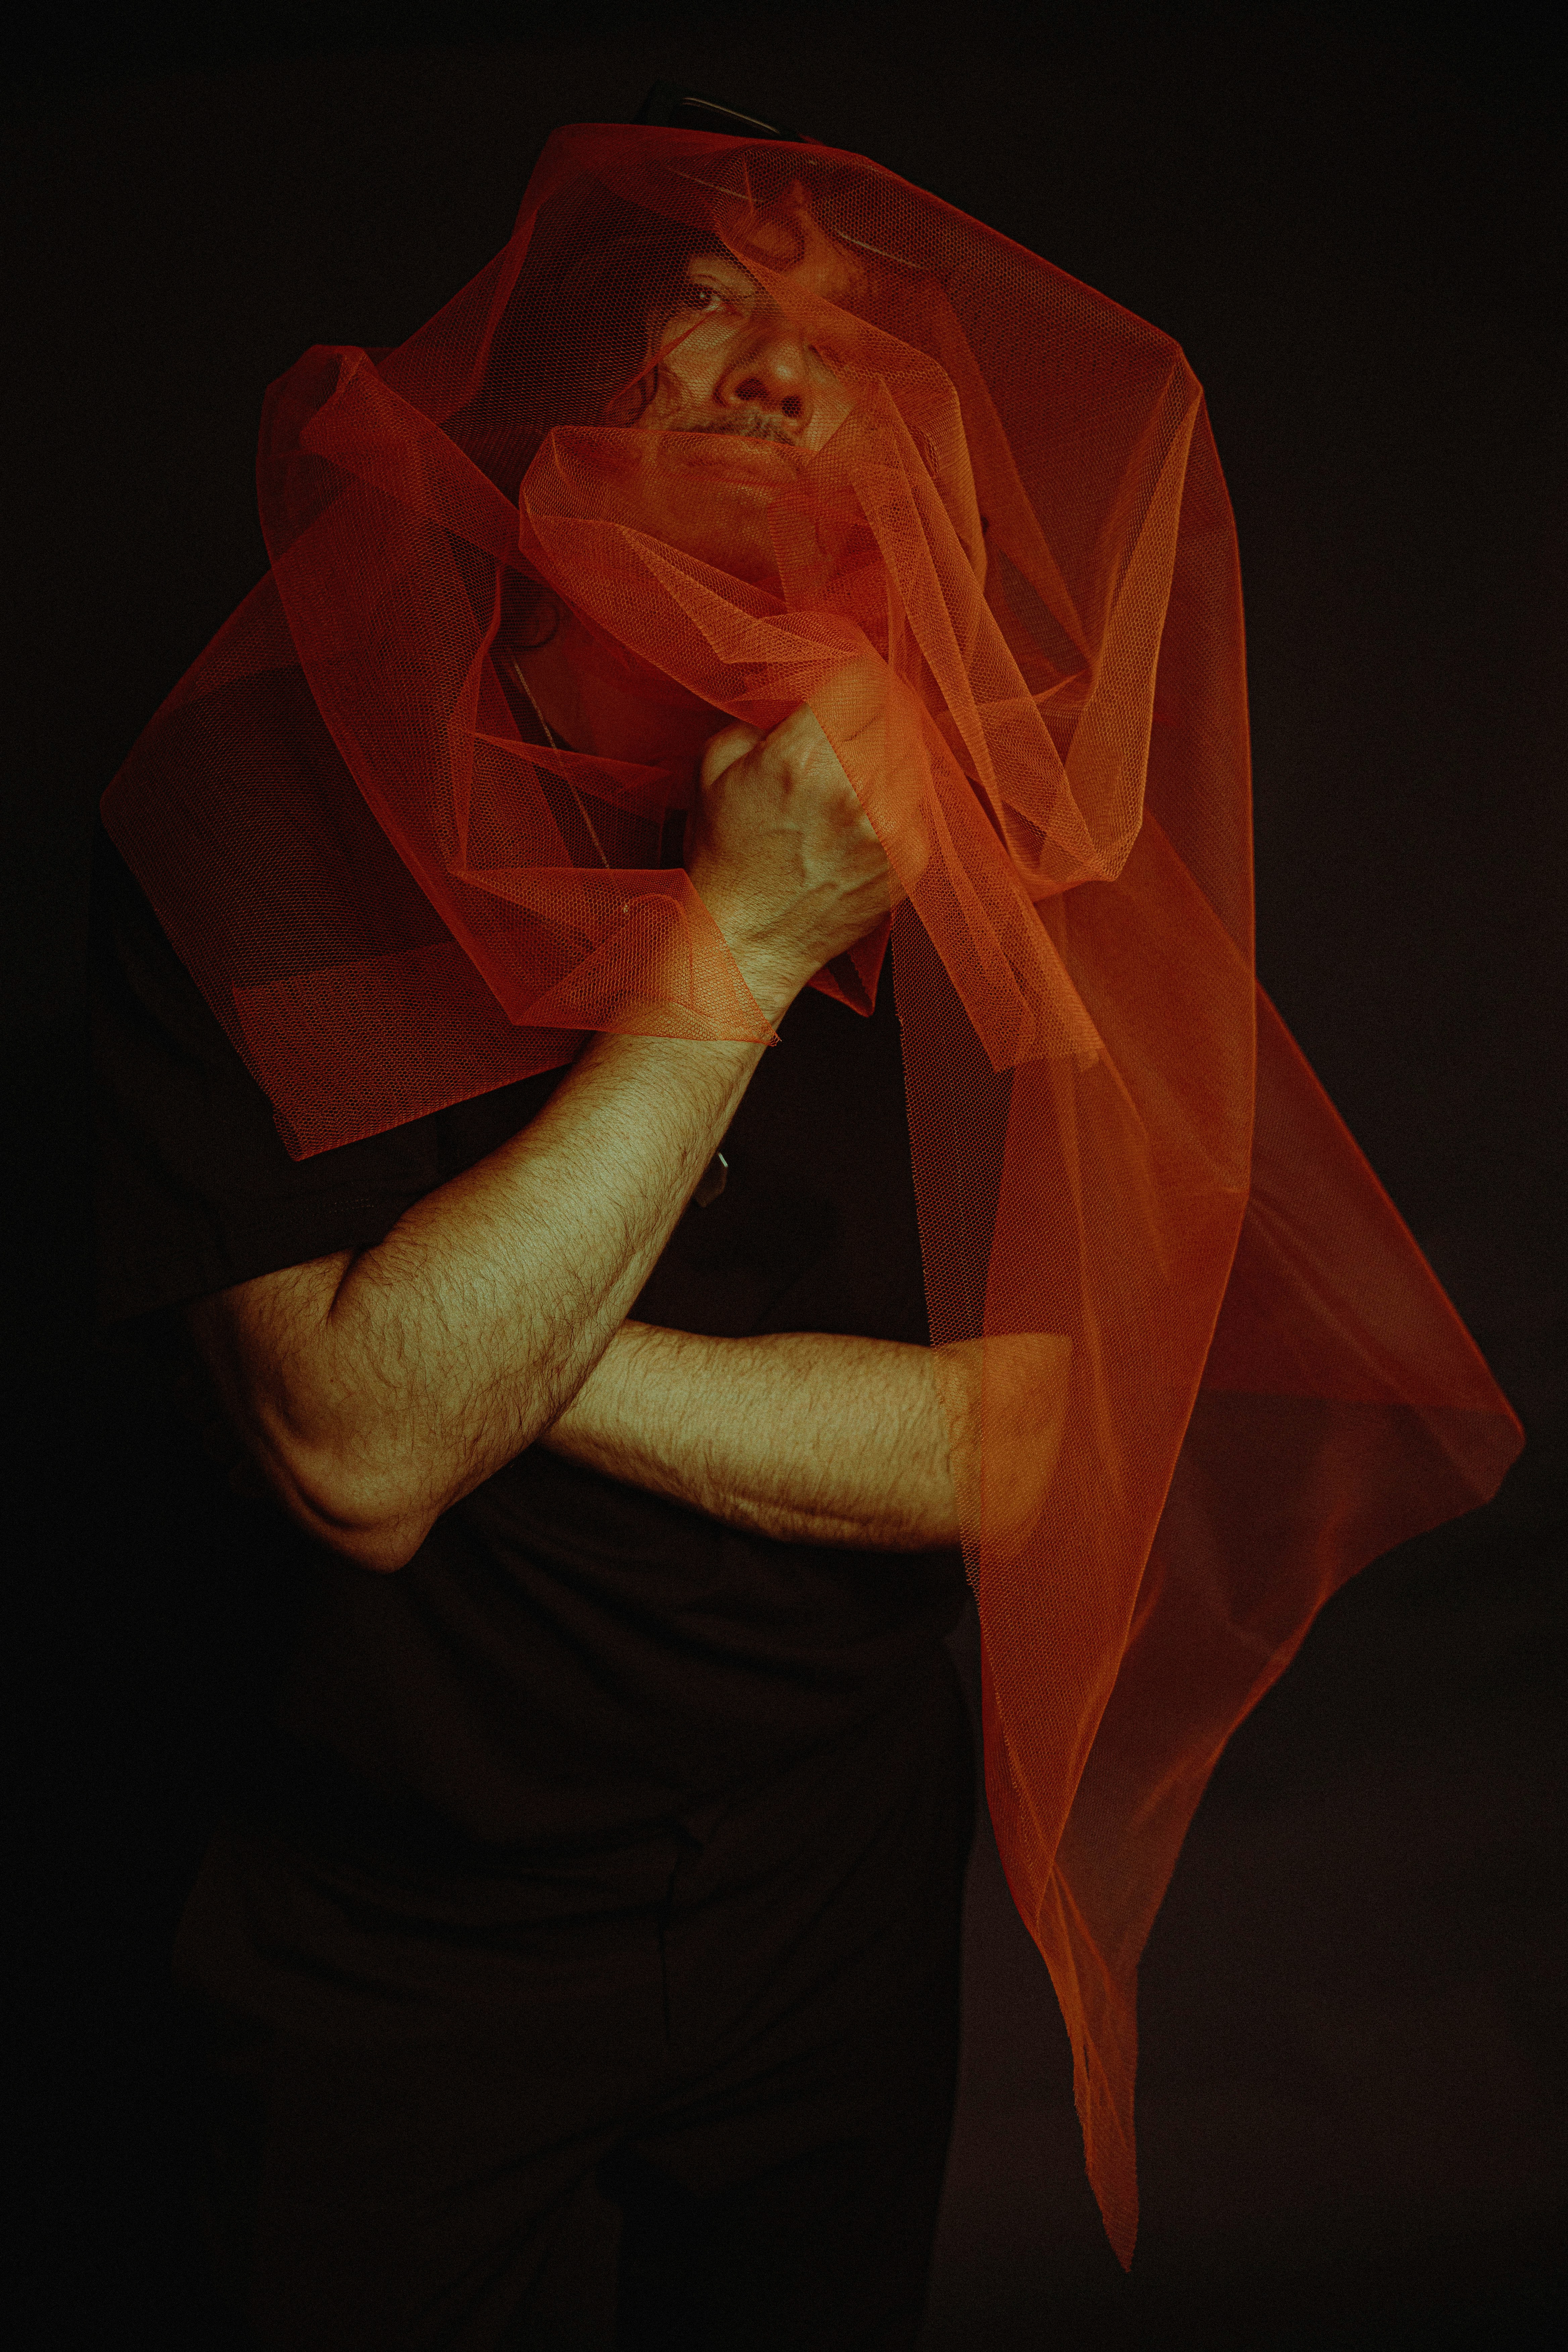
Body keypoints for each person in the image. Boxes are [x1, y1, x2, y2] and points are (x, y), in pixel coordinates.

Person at [93, 114, 1521, 2349]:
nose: (789, 365)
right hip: (384, 1918)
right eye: (713, 316)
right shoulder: (264, 808)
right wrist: (733, 960)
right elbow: (359, 1463)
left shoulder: (988, 842)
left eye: (852, 340)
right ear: (552, 426)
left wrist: (471, 1352)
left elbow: (1033, 1453)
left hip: (823, 1895)